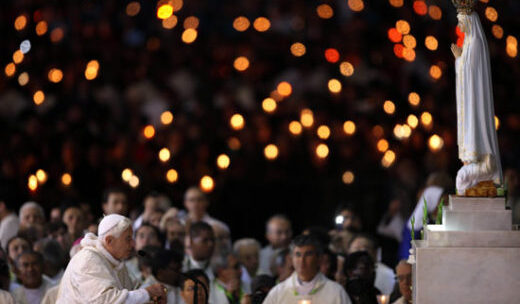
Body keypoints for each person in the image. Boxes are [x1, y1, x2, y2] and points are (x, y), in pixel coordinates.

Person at [451, 3, 503, 195]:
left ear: (469, 22)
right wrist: (460, 58)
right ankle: (474, 169)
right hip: (469, 97)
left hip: (475, 100)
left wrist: (459, 59)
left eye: (461, 21)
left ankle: (480, 162)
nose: (459, 26)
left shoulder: (475, 43)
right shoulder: (469, 43)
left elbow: (471, 72)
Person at [56, 214, 167, 304]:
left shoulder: (113, 260)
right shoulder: (88, 260)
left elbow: (133, 290)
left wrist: (153, 295)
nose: (133, 244)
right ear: (109, 241)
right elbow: (105, 301)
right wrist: (147, 293)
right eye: (128, 239)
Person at [263, 234, 351, 304]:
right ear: (291, 259)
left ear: (319, 258)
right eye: (298, 255)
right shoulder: (278, 292)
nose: (302, 260)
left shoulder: (335, 292)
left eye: (308, 254)